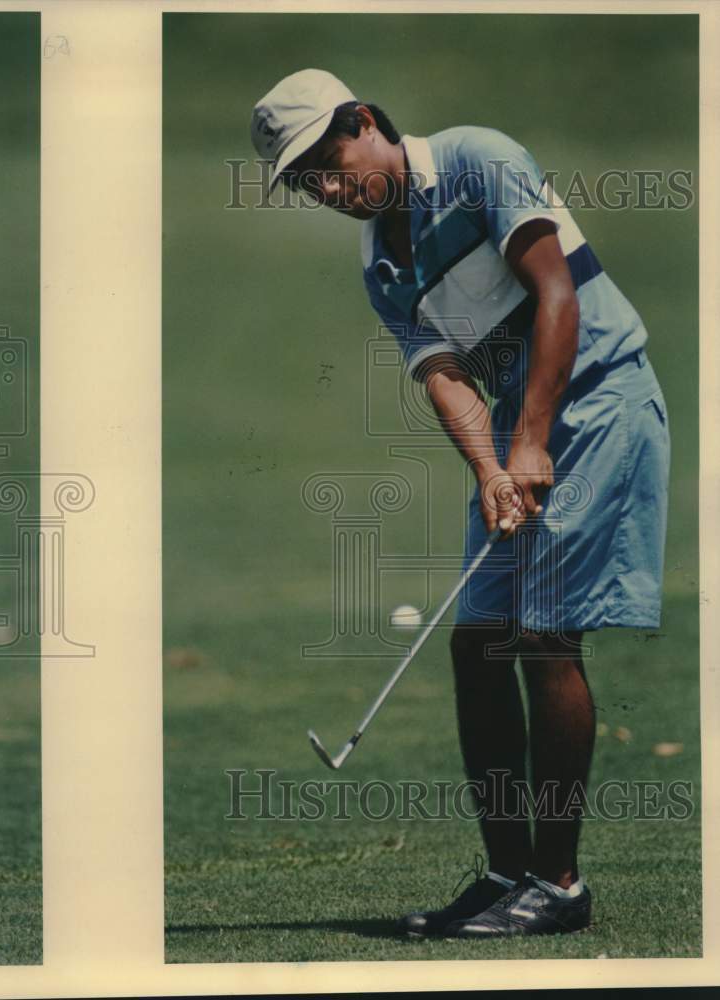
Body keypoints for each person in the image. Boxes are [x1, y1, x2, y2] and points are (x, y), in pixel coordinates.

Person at [250, 68, 670, 940]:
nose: (327, 191)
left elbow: (556, 295)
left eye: (328, 164)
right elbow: (445, 378)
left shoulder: (478, 162)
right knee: (477, 639)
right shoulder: (383, 262)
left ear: (363, 122)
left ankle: (556, 885)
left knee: (543, 631)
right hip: (521, 428)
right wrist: (489, 468)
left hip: (595, 401)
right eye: (306, 184)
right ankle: (502, 873)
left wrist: (531, 440)